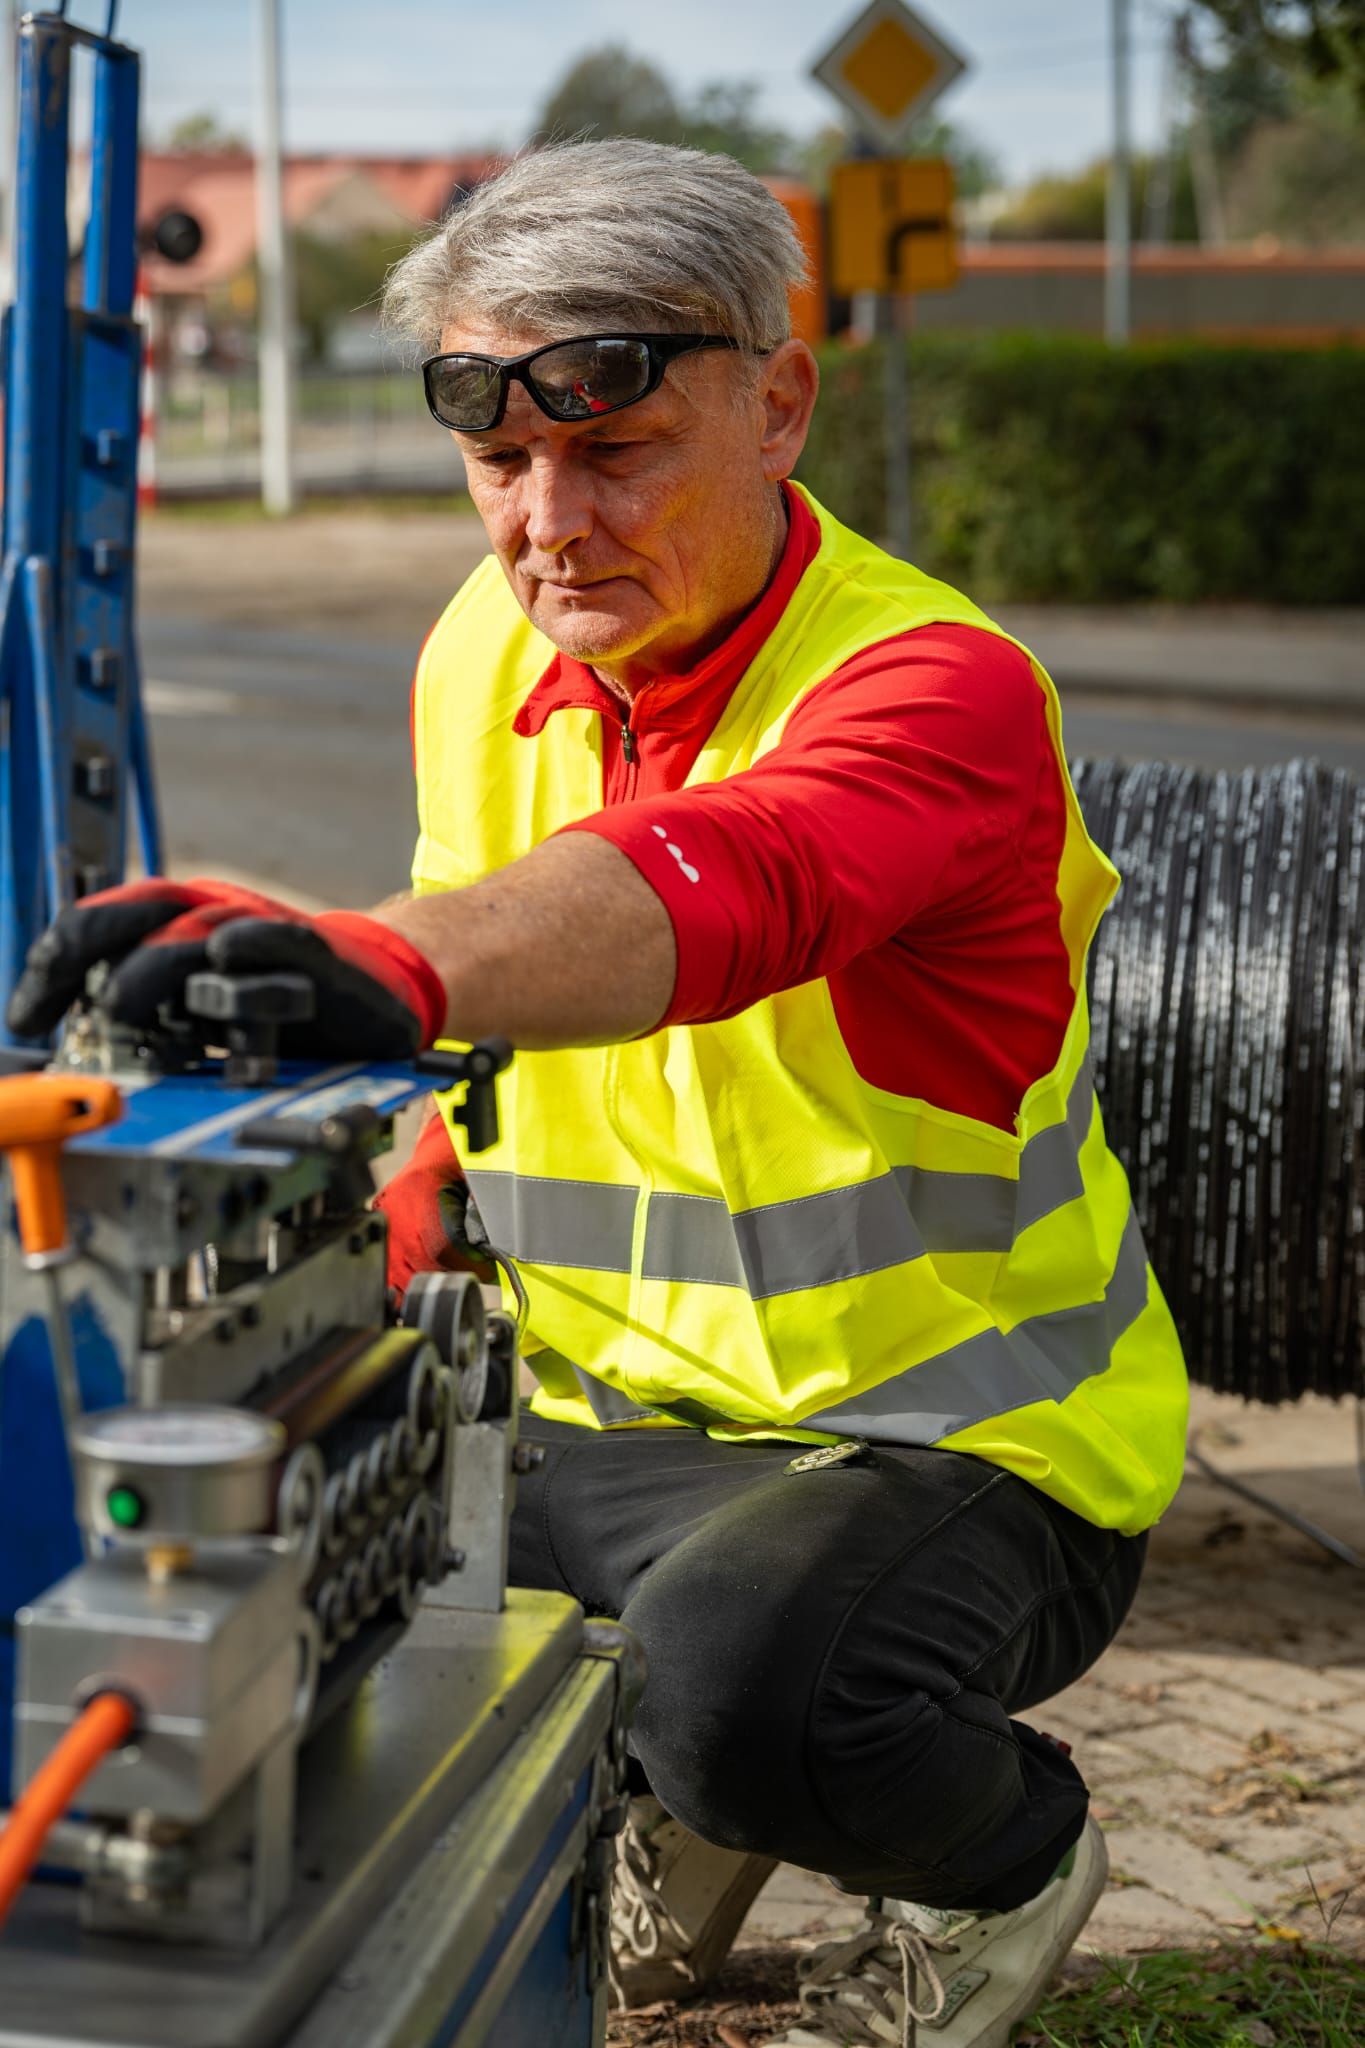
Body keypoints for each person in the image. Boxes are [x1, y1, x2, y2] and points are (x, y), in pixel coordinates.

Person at [9, 141, 1189, 2048]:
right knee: (225, 1546)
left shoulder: (931, 688)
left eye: (615, 447)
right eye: (497, 460)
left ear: (780, 402)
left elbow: (734, 881)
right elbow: (472, 966)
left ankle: (1008, 1859)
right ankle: (641, 1819)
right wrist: (355, 1120)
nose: (546, 522)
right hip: (601, 1417)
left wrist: (385, 963)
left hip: (956, 1448)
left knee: (747, 1694)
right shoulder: (486, 644)